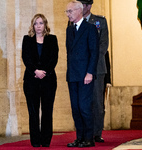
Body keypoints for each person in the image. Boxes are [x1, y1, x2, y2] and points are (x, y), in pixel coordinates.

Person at [65, 0, 99, 148]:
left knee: (85, 107)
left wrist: (90, 72)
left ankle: (89, 138)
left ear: (79, 10)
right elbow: (69, 53)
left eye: (70, 11)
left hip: (85, 75)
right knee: (75, 108)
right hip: (73, 75)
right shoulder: (69, 30)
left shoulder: (90, 28)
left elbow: (94, 53)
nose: (68, 14)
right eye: (67, 12)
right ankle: (79, 138)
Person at [22, 13, 59, 147]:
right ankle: (35, 141)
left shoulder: (52, 39)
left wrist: (45, 72)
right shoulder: (27, 39)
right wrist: (35, 71)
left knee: (47, 111)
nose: (38, 26)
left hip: (48, 80)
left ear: (45, 25)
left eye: (41, 23)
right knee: (33, 112)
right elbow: (26, 58)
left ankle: (46, 140)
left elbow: (54, 58)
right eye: (36, 23)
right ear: (33, 25)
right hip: (31, 81)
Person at [77, 0, 110, 143]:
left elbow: (103, 45)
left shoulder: (99, 21)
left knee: (97, 102)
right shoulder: (74, 22)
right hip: (80, 69)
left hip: (97, 68)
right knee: (82, 102)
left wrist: (90, 63)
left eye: (81, 5)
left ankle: (97, 133)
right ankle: (84, 132)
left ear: (88, 6)